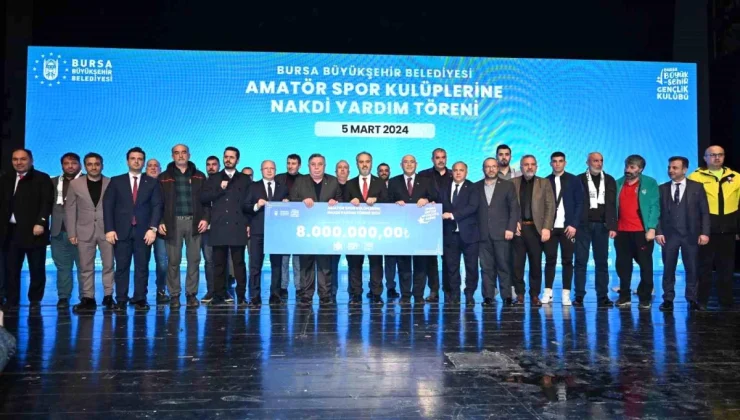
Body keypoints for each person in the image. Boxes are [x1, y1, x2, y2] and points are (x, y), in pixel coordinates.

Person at [103, 147, 163, 311]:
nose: (136, 161)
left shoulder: (152, 182)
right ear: (127, 161)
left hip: (144, 232)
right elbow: (108, 206)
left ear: (143, 162)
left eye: (140, 159)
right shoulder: (116, 181)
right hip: (121, 231)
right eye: (133, 158)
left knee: (142, 267)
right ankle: (121, 299)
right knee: (122, 267)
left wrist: (153, 228)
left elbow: (157, 206)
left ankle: (139, 298)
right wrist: (109, 229)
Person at [0, 149, 53, 310]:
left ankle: (35, 300)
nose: (19, 162)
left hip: (34, 231)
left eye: (23, 159)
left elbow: (46, 203)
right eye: (15, 159)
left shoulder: (42, 178)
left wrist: (41, 222)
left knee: (36, 268)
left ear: (31, 160)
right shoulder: (5, 178)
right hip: (10, 232)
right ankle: (11, 300)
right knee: (11, 269)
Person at [688, 145, 740, 308]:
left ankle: (726, 301)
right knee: (704, 267)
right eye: (712, 155)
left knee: (727, 268)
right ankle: (701, 301)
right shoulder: (695, 177)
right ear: (705, 158)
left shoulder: (736, 177)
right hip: (705, 230)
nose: (717, 157)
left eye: (720, 155)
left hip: (728, 229)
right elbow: (691, 206)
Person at [157, 144, 209, 308]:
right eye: (177, 153)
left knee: (194, 259)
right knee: (173, 260)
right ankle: (174, 295)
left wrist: (206, 219)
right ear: (172, 156)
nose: (180, 156)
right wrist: (160, 221)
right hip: (173, 223)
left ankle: (191, 294)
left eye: (183, 152)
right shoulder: (163, 177)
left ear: (189, 155)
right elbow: (158, 203)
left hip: (195, 222)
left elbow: (206, 201)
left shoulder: (200, 176)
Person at [656, 156, 710, 311]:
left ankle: (692, 299)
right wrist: (658, 232)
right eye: (669, 167)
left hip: (691, 235)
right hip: (669, 235)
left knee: (692, 268)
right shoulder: (662, 188)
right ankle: (668, 299)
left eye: (675, 168)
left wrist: (705, 233)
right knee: (668, 269)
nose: (670, 170)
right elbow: (657, 213)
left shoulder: (697, 187)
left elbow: (704, 212)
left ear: (684, 170)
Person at [289, 153, 343, 306]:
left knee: (325, 264)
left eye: (320, 164)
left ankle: (325, 295)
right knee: (306, 264)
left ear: (324, 166)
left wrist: (336, 202)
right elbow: (292, 200)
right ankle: (306, 294)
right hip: (305, 230)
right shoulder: (300, 181)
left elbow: (341, 200)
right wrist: (302, 201)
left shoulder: (333, 181)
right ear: (309, 166)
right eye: (313, 164)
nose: (317, 167)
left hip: (326, 230)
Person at [200, 147, 250, 306]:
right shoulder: (214, 178)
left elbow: (248, 202)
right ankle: (218, 295)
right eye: (226, 157)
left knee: (239, 264)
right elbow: (204, 197)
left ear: (237, 160)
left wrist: (248, 223)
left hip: (238, 226)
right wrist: (219, 189)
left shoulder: (244, 179)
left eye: (231, 157)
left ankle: (241, 296)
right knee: (219, 263)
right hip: (219, 226)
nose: (228, 159)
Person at [65, 153, 114, 311]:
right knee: (85, 266)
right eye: (90, 164)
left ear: (102, 165)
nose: (94, 167)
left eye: (97, 164)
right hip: (83, 230)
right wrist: (72, 232)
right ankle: (88, 297)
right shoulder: (75, 184)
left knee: (109, 265)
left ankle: (108, 296)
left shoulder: (110, 183)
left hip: (107, 230)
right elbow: (70, 209)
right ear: (85, 166)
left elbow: (116, 208)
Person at [387, 154, 437, 304]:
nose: (409, 164)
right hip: (402, 230)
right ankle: (405, 295)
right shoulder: (394, 181)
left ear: (416, 164)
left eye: (411, 162)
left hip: (422, 231)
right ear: (401, 165)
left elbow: (435, 197)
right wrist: (395, 203)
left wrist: (427, 200)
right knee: (403, 266)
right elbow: (387, 201)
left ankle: (418, 296)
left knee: (421, 266)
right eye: (406, 162)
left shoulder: (426, 181)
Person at [614, 154, 660, 309]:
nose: (628, 170)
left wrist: (652, 228)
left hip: (642, 232)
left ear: (640, 169)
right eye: (627, 166)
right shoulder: (618, 183)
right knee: (623, 266)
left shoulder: (650, 183)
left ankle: (645, 297)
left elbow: (654, 206)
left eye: (632, 167)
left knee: (645, 266)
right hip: (622, 232)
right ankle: (624, 296)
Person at [573, 152, 617, 307]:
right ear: (587, 162)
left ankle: (602, 296)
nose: (599, 163)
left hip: (602, 226)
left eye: (601, 161)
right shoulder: (579, 179)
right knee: (580, 261)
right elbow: (574, 203)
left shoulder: (609, 180)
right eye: (595, 161)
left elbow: (612, 205)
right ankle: (579, 295)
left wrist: (613, 225)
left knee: (602, 262)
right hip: (582, 226)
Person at [344, 152, 388, 304]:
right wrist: (350, 202)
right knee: (355, 264)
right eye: (361, 161)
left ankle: (376, 293)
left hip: (375, 231)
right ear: (357, 164)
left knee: (376, 263)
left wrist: (377, 200)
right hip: (354, 231)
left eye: (367, 161)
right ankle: (356, 294)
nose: (364, 164)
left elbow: (388, 202)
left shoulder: (380, 183)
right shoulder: (349, 184)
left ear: (371, 163)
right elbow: (342, 204)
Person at [511, 155, 555, 306]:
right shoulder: (513, 183)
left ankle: (535, 295)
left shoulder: (544, 183)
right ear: (521, 167)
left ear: (536, 167)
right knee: (517, 265)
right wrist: (512, 223)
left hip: (536, 229)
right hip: (518, 229)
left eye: (532, 164)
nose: (529, 167)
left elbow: (550, 206)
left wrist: (546, 227)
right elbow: (508, 206)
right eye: (526, 164)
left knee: (535, 264)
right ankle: (520, 294)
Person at [244, 160, 290, 306]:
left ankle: (275, 295)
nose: (269, 171)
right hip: (258, 231)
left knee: (277, 265)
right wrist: (257, 205)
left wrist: (287, 203)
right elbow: (245, 206)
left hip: (277, 232)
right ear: (261, 170)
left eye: (272, 168)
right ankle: (254, 296)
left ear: (275, 170)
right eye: (266, 168)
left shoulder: (283, 188)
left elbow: (290, 210)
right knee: (255, 265)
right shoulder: (253, 187)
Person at [475, 158, 519, 306]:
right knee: (486, 267)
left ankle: (507, 296)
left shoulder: (507, 185)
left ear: (498, 168)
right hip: (482, 234)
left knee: (504, 266)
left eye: (494, 166)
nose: (491, 169)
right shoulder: (476, 186)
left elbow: (514, 209)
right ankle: (488, 296)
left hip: (502, 233)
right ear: (483, 169)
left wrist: (511, 228)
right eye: (488, 167)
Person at [543, 152, 583, 306]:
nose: (557, 164)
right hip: (551, 228)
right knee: (549, 260)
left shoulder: (574, 180)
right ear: (550, 163)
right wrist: (545, 227)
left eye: (560, 161)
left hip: (568, 228)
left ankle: (566, 294)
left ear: (565, 163)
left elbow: (580, 203)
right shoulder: (545, 181)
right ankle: (548, 293)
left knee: (567, 261)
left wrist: (574, 224)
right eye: (554, 161)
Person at [440, 162, 479, 305]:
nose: (458, 173)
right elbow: (439, 204)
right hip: (450, 234)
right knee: (451, 267)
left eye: (461, 170)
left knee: (471, 267)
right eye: (455, 170)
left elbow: (472, 207)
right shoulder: (444, 187)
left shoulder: (473, 187)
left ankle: (469, 294)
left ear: (466, 172)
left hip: (469, 234)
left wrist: (452, 215)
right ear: (452, 172)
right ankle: (454, 295)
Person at [50, 152, 83, 309]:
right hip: (58, 232)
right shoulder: (52, 182)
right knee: (63, 268)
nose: (70, 166)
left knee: (84, 268)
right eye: (66, 163)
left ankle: (86, 298)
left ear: (80, 165)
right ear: (62, 165)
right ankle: (63, 297)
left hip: (81, 233)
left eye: (73, 163)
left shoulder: (87, 181)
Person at [419, 148, 453, 301]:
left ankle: (448, 290)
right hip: (429, 222)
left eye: (443, 157)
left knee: (449, 258)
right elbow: (419, 196)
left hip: (448, 221)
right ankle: (433, 290)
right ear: (432, 159)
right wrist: (426, 200)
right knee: (430, 259)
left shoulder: (454, 174)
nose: (441, 160)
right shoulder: (423, 175)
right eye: (437, 157)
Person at [275, 153, 302, 300]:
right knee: (283, 259)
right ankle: (283, 287)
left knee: (298, 259)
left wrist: (291, 201)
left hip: (299, 224)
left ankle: (299, 287)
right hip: (282, 225)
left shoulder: (305, 180)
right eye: (288, 163)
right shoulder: (278, 178)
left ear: (299, 165)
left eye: (293, 163)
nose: (290, 166)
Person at [146, 159, 171, 304]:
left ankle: (161, 290)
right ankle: (140, 294)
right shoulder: (139, 183)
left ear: (160, 169)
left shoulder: (166, 185)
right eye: (150, 166)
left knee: (162, 263)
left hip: (161, 229)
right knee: (141, 263)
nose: (153, 168)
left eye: (156, 166)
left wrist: (161, 222)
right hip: (142, 229)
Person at [376, 162, 399, 298]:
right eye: (381, 170)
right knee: (375, 261)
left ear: (389, 172)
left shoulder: (395, 186)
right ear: (377, 173)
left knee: (391, 260)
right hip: (375, 228)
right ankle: (375, 288)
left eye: (386, 170)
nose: (384, 172)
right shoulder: (372, 186)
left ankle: (391, 287)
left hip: (392, 227)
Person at [200, 155, 220, 303]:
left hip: (223, 227)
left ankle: (223, 291)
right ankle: (211, 291)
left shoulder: (225, 183)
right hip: (206, 228)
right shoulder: (201, 184)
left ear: (219, 166)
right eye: (208, 164)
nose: (211, 167)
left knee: (222, 260)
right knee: (208, 260)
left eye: (214, 164)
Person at [330, 160, 350, 300]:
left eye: (345, 168)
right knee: (332, 264)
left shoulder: (354, 185)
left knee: (354, 263)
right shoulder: (329, 186)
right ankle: (332, 291)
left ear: (349, 171)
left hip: (352, 230)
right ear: (335, 171)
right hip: (334, 230)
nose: (342, 170)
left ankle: (354, 293)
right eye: (339, 167)